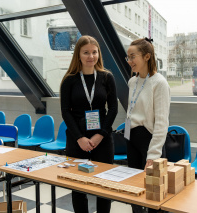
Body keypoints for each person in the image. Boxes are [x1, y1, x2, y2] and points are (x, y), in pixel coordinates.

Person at [60, 35, 118, 213]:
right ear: (78, 55)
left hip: (102, 138)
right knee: (78, 185)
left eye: (94, 52)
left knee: (103, 184)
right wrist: (80, 138)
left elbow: (113, 109)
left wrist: (100, 135)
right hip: (77, 139)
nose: (91, 56)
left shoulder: (107, 77)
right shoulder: (69, 80)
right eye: (86, 52)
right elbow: (65, 112)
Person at [125, 38, 170, 213]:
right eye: (128, 57)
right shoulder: (132, 82)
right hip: (132, 137)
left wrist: (153, 154)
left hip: (150, 141)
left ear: (147, 57)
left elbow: (161, 122)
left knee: (154, 193)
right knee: (133, 188)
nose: (129, 61)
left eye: (133, 56)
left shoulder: (159, 83)